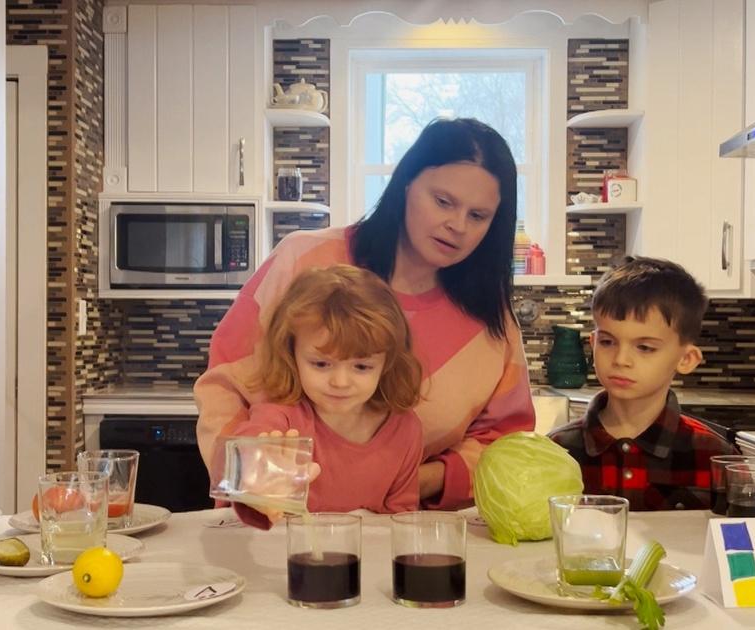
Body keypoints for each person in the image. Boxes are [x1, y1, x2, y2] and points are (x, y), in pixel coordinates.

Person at [195, 117, 535, 509]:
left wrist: (406, 477)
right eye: (443, 201)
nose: (457, 225)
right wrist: (252, 483)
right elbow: (224, 385)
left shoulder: (491, 323)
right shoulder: (302, 258)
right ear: (406, 184)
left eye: (478, 216)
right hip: (270, 525)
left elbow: (504, 444)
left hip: (402, 531)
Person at [227, 265, 424, 529]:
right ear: (291, 353)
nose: (340, 382)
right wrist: (260, 488)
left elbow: (401, 523)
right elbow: (248, 464)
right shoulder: (280, 417)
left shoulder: (405, 430)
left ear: (387, 363)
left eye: (362, 367)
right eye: (321, 364)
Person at [548, 257, 737, 511]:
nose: (621, 359)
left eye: (645, 347)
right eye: (607, 342)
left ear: (686, 359)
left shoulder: (716, 457)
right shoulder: (556, 450)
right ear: (592, 343)